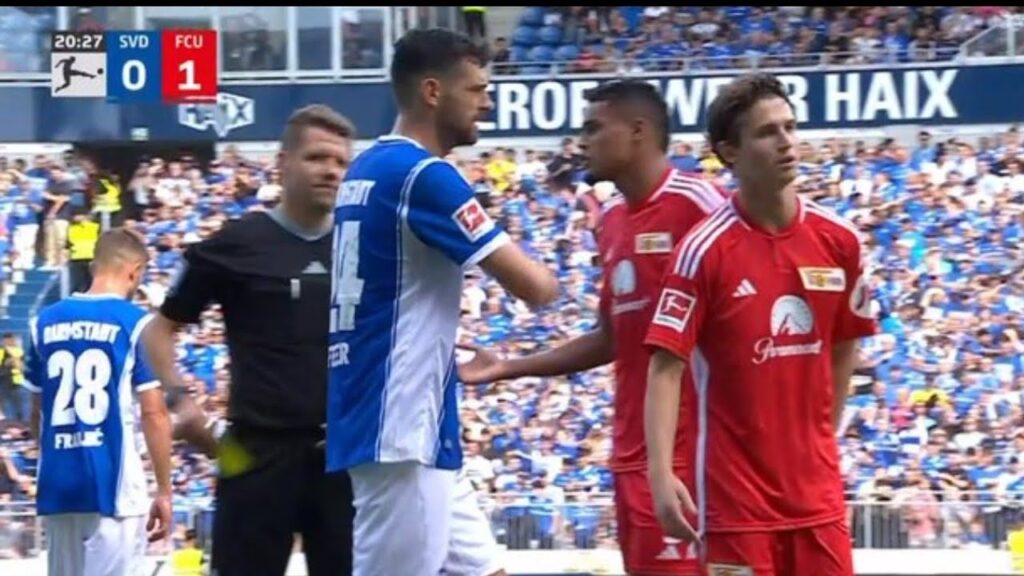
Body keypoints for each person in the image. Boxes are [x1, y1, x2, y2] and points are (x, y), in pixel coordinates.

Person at [458, 79, 726, 576]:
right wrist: (508, 367)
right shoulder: (614, 222)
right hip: (631, 457)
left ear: (639, 132)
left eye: (594, 127)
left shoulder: (702, 206)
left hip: (693, 456)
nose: (583, 141)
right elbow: (611, 337)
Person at [325, 28, 558, 576]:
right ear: (433, 91)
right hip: (400, 427)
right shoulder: (424, 176)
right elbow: (536, 288)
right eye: (476, 89)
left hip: (413, 422)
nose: (487, 100)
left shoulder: (365, 169)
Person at [643, 73, 878, 575]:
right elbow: (665, 368)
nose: (787, 142)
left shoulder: (842, 242)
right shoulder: (701, 252)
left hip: (818, 500)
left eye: (791, 127)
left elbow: (844, 347)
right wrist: (660, 475)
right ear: (730, 152)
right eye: (768, 132)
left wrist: (821, 436)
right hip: (736, 507)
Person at [142, 104, 357, 576]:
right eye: (317, 157)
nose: (331, 171)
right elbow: (157, 331)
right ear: (282, 163)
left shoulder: (361, 246)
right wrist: (181, 400)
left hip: (344, 456)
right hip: (252, 454)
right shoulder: (235, 244)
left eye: (341, 162)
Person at [24, 228, 173, 576]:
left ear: (93, 267)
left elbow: (37, 413)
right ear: (135, 271)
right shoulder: (137, 324)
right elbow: (154, 413)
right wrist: (164, 491)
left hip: (60, 488)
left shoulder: (41, 324)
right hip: (114, 489)